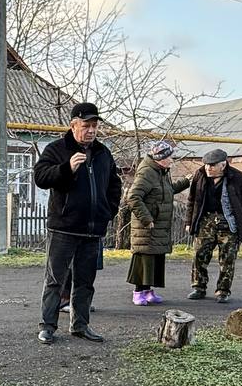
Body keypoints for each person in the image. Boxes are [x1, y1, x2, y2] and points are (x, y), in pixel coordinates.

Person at [33, 102, 122, 344]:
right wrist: (67, 168)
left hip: (92, 229)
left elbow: (114, 184)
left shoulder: (103, 153)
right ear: (73, 126)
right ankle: (47, 326)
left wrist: (107, 211)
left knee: (85, 282)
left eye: (94, 126)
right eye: (86, 125)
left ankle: (80, 326)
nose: (91, 130)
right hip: (63, 227)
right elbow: (40, 177)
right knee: (55, 280)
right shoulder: (57, 149)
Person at [185, 147, 242, 303]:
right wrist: (189, 221)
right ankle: (198, 287)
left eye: (212, 165)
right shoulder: (200, 175)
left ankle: (223, 291)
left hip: (229, 221)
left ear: (223, 165)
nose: (208, 168)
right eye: (206, 165)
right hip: (206, 220)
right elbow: (192, 200)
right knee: (199, 254)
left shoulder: (237, 177)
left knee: (228, 258)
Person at [127, 140, 189, 305]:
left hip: (158, 225)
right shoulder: (147, 172)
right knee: (144, 259)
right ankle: (138, 292)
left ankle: (148, 291)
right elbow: (133, 197)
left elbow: (167, 190)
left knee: (155, 259)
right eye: (169, 157)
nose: (171, 160)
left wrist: (185, 182)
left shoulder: (161, 172)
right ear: (160, 158)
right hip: (147, 227)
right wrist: (146, 219)